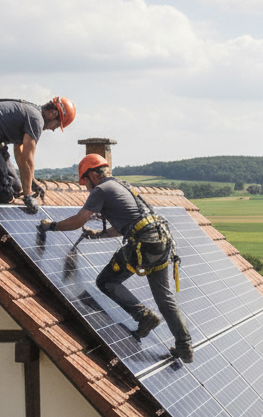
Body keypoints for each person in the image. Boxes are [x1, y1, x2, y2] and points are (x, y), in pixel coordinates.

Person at [37, 154, 194, 363]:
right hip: (162, 241)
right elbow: (130, 223)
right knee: (164, 298)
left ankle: (144, 317)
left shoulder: (101, 189)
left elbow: (79, 219)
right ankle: (185, 346)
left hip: (144, 244)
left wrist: (52, 226)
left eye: (86, 184)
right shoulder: (122, 185)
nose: (87, 189)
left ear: (93, 175)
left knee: (106, 281)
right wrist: (99, 234)